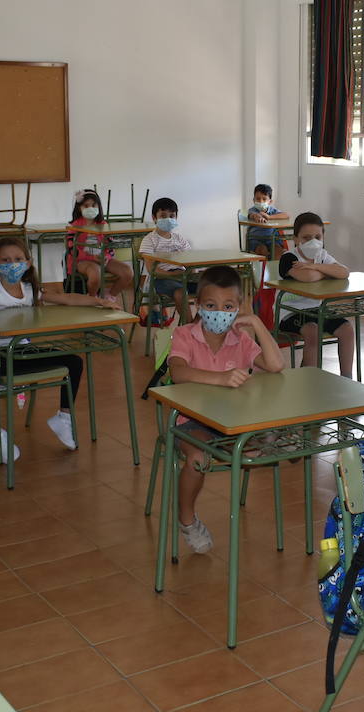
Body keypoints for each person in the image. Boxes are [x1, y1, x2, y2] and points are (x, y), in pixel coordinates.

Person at [168, 265, 284, 554]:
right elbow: (178, 373)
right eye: (211, 305)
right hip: (189, 421)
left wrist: (256, 323)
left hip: (232, 422)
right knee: (198, 457)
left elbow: (276, 365)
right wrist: (220, 379)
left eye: (228, 306)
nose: (219, 312)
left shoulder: (240, 340)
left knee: (263, 440)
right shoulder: (184, 334)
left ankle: (256, 445)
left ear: (238, 309)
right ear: (197, 305)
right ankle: (186, 519)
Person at [0, 237, 114, 460]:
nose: (12, 264)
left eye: (18, 259)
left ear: (28, 263)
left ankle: (63, 417)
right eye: (5, 260)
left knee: (74, 362)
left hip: (19, 351)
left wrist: (99, 302)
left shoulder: (29, 290)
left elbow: (66, 299)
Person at [278, 212, 354, 376]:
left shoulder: (322, 255)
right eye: (306, 238)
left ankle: (347, 378)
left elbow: (344, 272)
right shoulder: (289, 257)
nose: (313, 242)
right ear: (296, 239)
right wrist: (326, 272)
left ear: (323, 237)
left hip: (318, 309)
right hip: (290, 313)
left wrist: (314, 266)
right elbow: (308, 278)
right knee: (313, 331)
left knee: (347, 330)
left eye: (317, 237)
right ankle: (310, 379)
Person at [66, 189, 133, 302]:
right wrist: (92, 258)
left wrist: (105, 257)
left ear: (99, 206)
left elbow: (109, 245)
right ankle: (93, 299)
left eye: (93, 205)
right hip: (81, 261)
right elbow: (72, 250)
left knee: (127, 271)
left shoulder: (103, 225)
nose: (90, 208)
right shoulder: (74, 226)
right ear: (79, 208)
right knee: (96, 272)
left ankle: (109, 295)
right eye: (86, 206)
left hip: (102, 259)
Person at [138, 196, 195, 325]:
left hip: (182, 276)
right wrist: (174, 275)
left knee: (211, 287)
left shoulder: (179, 238)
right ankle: (190, 328)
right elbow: (152, 270)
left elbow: (192, 261)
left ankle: (203, 325)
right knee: (181, 293)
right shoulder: (149, 240)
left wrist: (193, 274)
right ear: (154, 218)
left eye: (172, 215)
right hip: (161, 280)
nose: (168, 219)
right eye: (163, 216)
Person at [245, 183, 286, 257]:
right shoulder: (252, 210)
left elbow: (286, 215)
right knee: (262, 250)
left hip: (272, 239)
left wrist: (269, 217)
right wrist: (256, 216)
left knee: (278, 252)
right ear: (253, 200)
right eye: (258, 199)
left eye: (264, 199)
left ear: (270, 201)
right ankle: (265, 266)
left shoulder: (273, 211)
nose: (261, 201)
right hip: (256, 239)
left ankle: (275, 267)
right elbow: (251, 215)